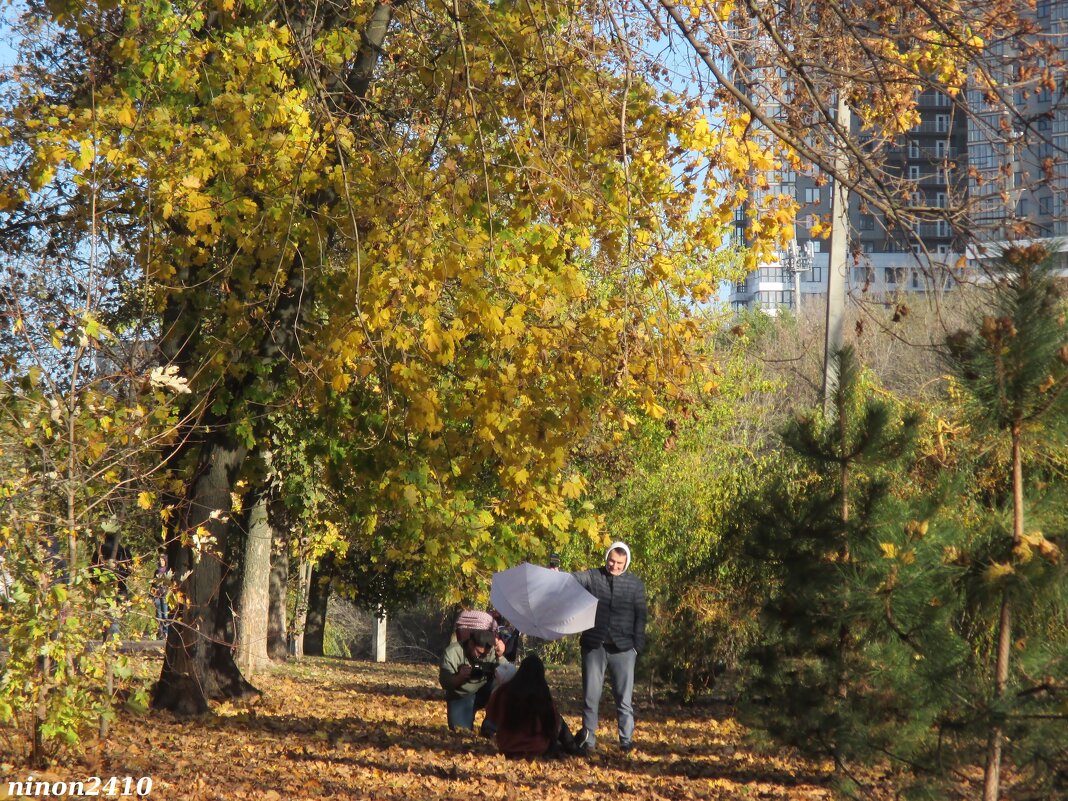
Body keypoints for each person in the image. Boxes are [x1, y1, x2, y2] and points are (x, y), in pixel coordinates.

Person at [571, 541, 647, 753]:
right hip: (594, 645)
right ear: (606, 558)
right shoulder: (594, 576)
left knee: (624, 699)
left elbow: (641, 617)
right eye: (611, 561)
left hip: (624, 649)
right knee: (590, 696)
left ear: (626, 562)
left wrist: (636, 647)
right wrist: (556, 573)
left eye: (619, 563)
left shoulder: (635, 584)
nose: (614, 566)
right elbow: (574, 579)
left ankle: (626, 741)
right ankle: (588, 739)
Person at [483, 654, 580, 759]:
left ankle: (567, 746)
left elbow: (491, 714)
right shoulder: (543, 696)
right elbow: (554, 722)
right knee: (559, 720)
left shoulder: (504, 691)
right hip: (537, 748)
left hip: (507, 747)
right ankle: (572, 747)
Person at [439, 628, 501, 731]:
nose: (482, 657)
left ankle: (490, 726)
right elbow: (445, 683)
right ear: (471, 644)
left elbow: (510, 675)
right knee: (461, 731)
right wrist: (459, 677)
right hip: (461, 695)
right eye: (479, 653)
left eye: (485, 655)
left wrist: (501, 656)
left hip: (484, 692)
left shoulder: (493, 652)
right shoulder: (452, 653)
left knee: (501, 685)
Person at [152, 553, 170, 640]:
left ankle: (166, 632)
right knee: (158, 614)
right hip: (157, 594)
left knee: (165, 614)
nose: (161, 562)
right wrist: (151, 594)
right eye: (160, 560)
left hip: (165, 594)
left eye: (162, 560)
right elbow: (153, 583)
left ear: (165, 561)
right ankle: (160, 633)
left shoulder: (168, 571)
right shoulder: (156, 571)